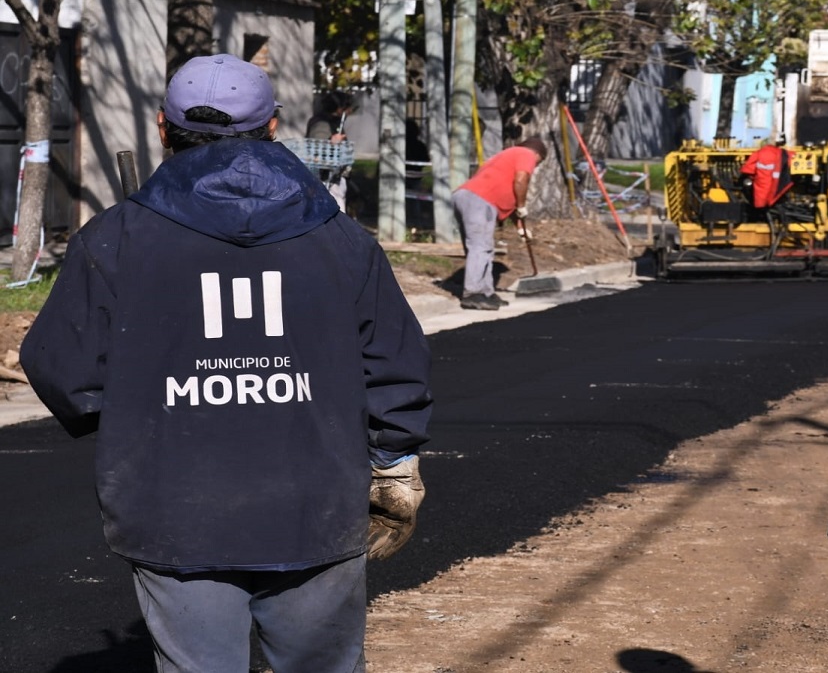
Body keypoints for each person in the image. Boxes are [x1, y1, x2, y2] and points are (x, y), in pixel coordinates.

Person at [19, 54, 433, 673]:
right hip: (315, 506)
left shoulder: (114, 239)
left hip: (175, 511)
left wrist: (139, 400)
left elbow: (63, 369)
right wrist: (394, 464)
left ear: (163, 127)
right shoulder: (342, 239)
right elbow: (395, 362)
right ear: (273, 128)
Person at [451, 136, 548, 310]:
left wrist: (520, 228)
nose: (535, 166)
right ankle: (473, 294)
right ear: (537, 154)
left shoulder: (503, 156)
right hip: (480, 200)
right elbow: (521, 180)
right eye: (538, 163)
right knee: (480, 247)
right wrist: (522, 206)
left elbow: (507, 193)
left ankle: (486, 292)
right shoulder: (526, 154)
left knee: (482, 247)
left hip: (465, 196)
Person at [306, 91, 356, 212]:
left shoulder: (335, 122)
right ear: (339, 108)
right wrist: (331, 142)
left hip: (334, 177)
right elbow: (317, 148)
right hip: (326, 178)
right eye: (347, 108)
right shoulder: (321, 124)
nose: (349, 111)